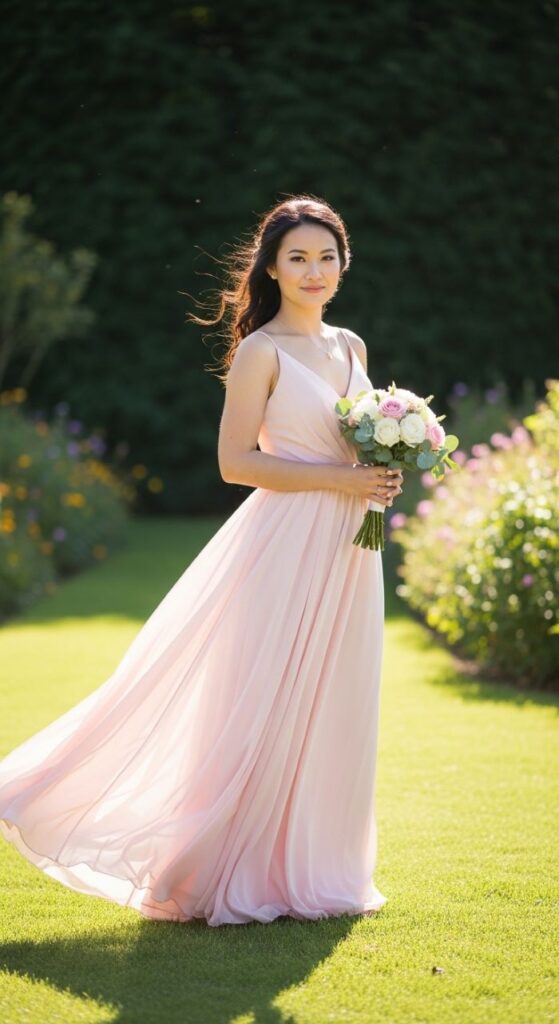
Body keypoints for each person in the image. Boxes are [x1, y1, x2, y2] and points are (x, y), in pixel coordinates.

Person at [0, 194, 403, 926]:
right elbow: (234, 462)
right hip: (283, 542)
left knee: (333, 702)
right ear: (272, 269)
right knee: (262, 700)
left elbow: (354, 443)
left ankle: (315, 869)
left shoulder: (350, 347)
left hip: (350, 547)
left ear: (344, 263)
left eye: (325, 257)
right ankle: (218, 864)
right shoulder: (260, 351)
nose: (313, 271)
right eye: (297, 258)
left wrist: (378, 470)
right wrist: (341, 480)